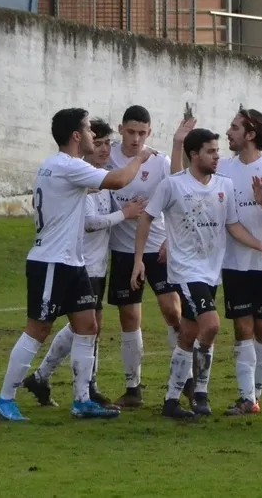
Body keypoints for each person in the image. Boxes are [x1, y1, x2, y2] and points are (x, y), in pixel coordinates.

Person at [0, 107, 153, 422]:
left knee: (88, 325)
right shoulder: (68, 166)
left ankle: (81, 400)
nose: (96, 137)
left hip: (72, 262)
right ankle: (5, 398)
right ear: (77, 136)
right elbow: (118, 180)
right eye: (91, 131)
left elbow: (88, 190)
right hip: (51, 261)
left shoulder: (57, 167)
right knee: (37, 330)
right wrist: (140, 158)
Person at [132, 128, 262, 419]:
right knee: (211, 325)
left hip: (211, 271)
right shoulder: (173, 185)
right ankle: (200, 391)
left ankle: (171, 400)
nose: (217, 156)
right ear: (193, 155)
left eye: (217, 150)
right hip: (187, 271)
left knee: (189, 333)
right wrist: (140, 259)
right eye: (211, 151)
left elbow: (233, 226)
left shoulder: (223, 186)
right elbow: (147, 218)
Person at [172, 109, 262, 417]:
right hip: (232, 262)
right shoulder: (224, 168)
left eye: (234, 127)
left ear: (251, 133)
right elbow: (181, 179)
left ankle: (256, 392)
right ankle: (247, 398)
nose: (228, 132)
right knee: (242, 327)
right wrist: (178, 143)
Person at [105, 105, 182, 409]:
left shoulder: (160, 162)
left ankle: (183, 380)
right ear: (120, 129)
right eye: (131, 131)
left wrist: (172, 241)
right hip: (123, 251)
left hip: (158, 247)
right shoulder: (107, 157)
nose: (136, 138)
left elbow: (179, 198)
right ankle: (132, 388)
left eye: (142, 133)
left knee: (173, 312)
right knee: (129, 317)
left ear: (149, 132)